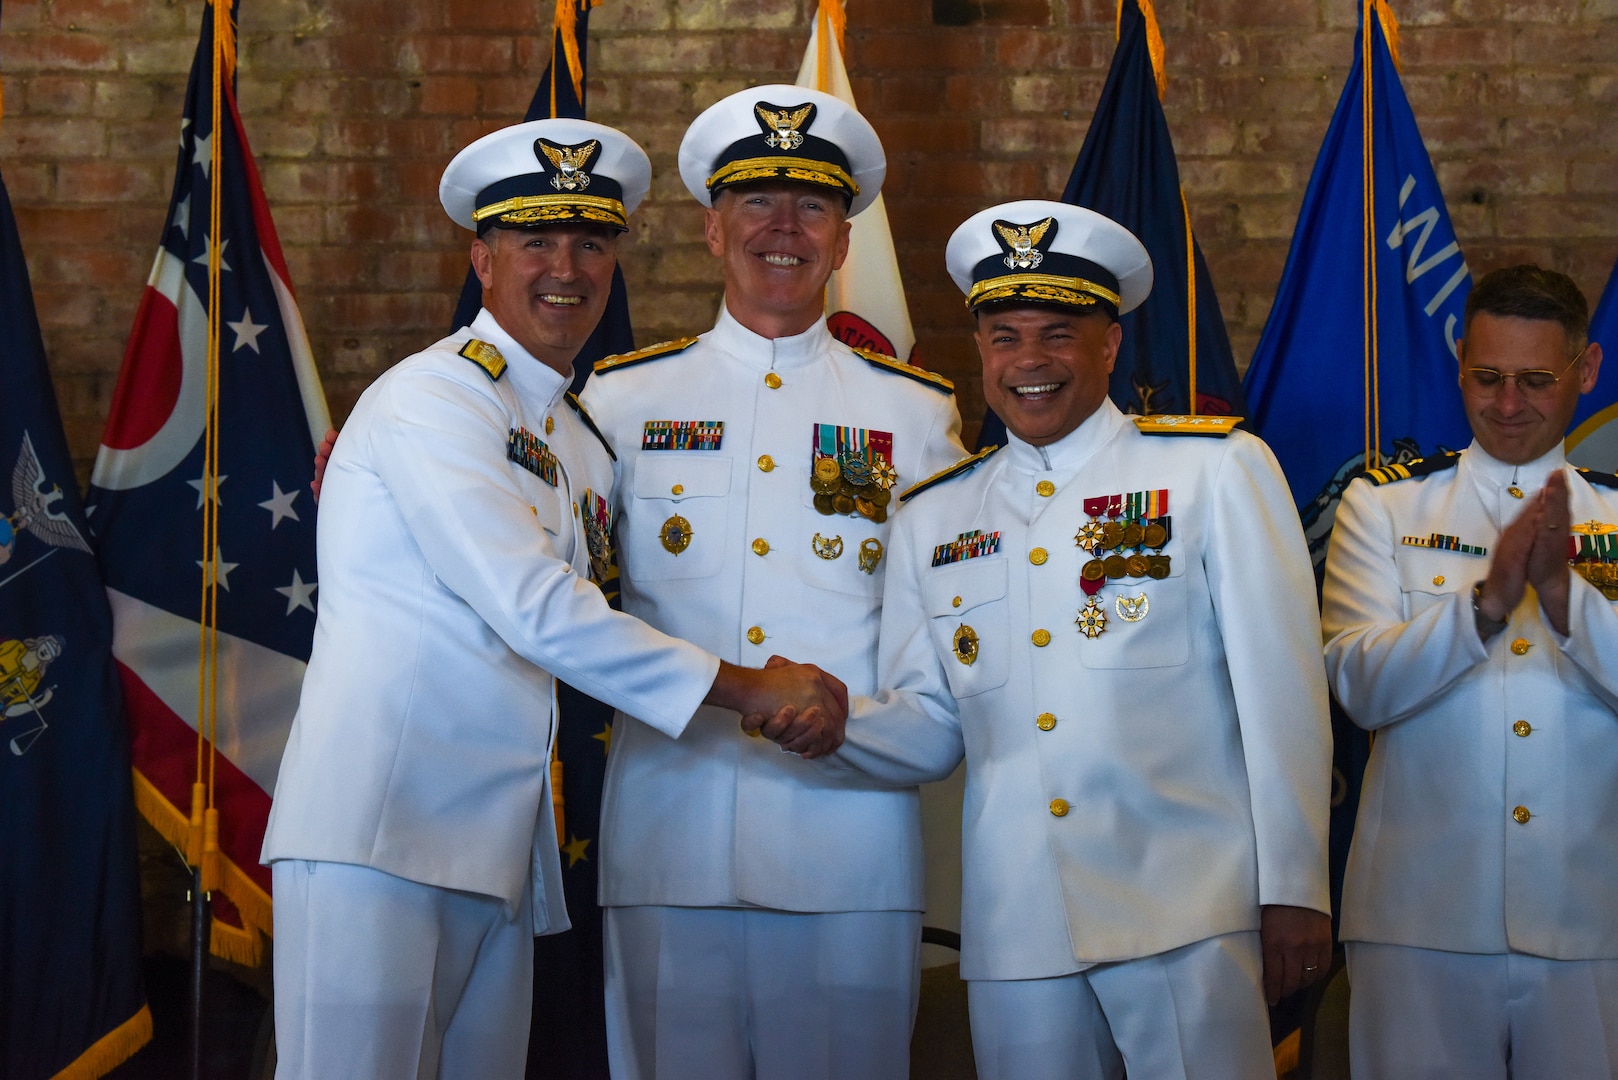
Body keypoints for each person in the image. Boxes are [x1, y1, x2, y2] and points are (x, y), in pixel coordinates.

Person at [261, 118, 846, 1080]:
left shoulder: (573, 434)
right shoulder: (433, 400)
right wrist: (751, 688)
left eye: (590, 242)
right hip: (381, 834)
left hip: (499, 850)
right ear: (482, 259)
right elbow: (533, 606)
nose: (563, 268)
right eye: (535, 241)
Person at [819, 199, 1334, 1079]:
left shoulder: (1213, 470)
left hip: (1186, 909)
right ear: (980, 349)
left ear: (1109, 344)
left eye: (1058, 333)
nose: (1030, 361)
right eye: (1006, 335)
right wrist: (830, 721)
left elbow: (1282, 695)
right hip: (1019, 922)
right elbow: (935, 723)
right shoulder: (933, 515)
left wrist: (1295, 888)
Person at [577, 85, 967, 1079]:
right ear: (712, 229)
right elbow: (560, 597)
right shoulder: (621, 401)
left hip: (848, 848)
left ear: (843, 241)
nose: (782, 227)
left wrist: (853, 726)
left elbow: (938, 644)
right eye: (756, 202)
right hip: (667, 840)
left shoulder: (916, 417)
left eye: (813, 207)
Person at [1321, 264, 1617, 1078]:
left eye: (1534, 380)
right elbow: (1358, 686)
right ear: (1459, 363)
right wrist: (1484, 607)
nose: (1508, 404)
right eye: (1486, 377)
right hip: (1418, 914)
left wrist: (1567, 603)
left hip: (1591, 915)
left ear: (1586, 372)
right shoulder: (1384, 506)